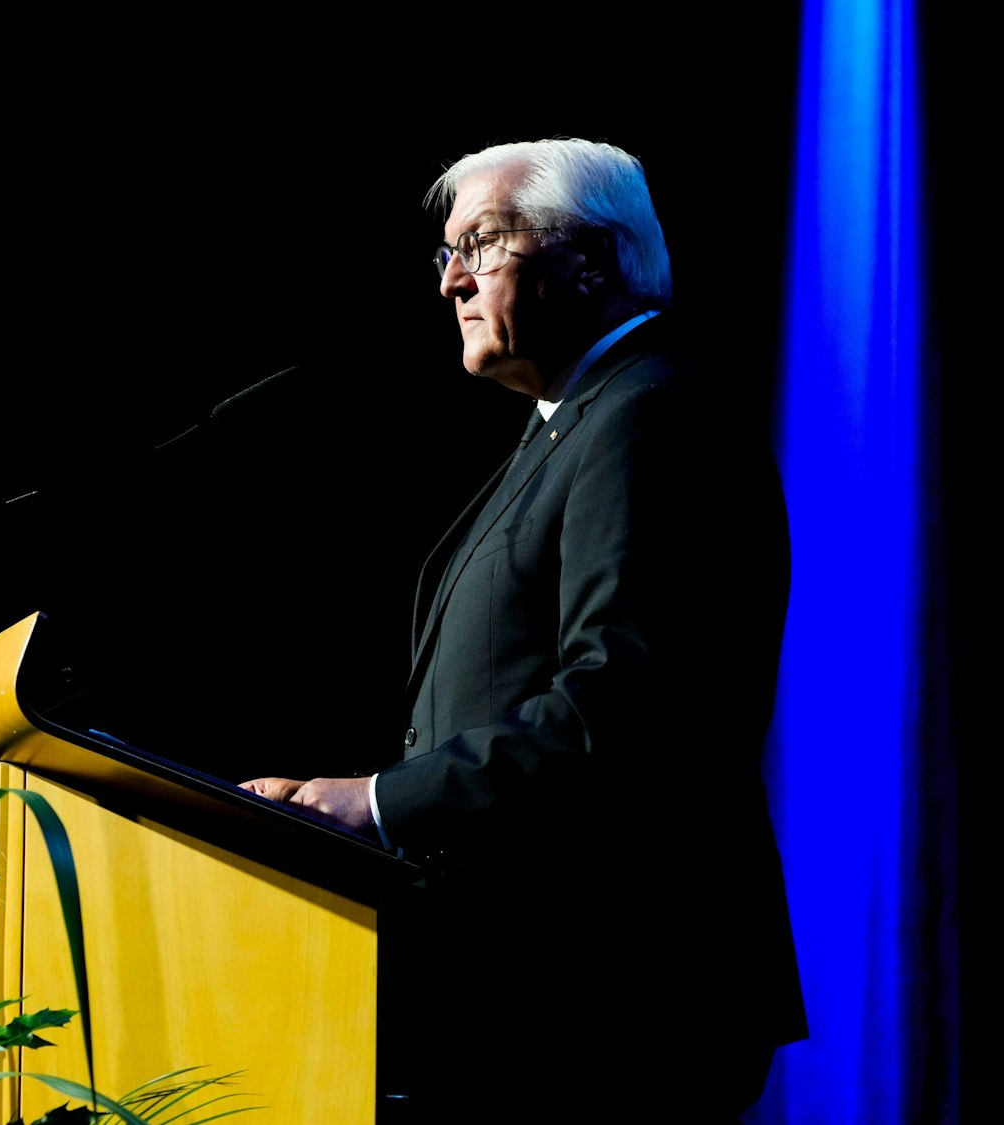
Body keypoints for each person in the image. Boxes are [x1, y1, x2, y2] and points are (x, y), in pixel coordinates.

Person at [241, 138, 806, 1122]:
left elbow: (622, 702)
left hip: (615, 988)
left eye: (483, 243)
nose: (451, 278)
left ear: (590, 257)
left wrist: (376, 802)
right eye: (446, 254)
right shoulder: (575, 422)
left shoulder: (648, 414)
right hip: (534, 982)